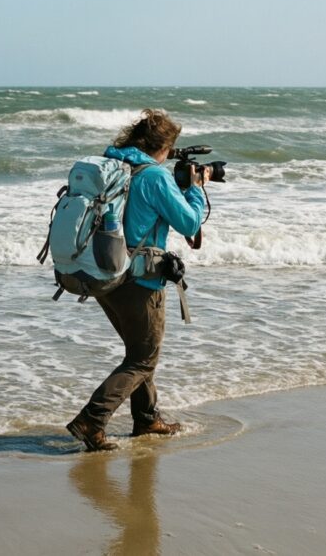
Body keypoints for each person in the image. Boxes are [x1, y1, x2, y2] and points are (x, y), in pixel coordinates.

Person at [66, 109, 210, 452]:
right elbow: (190, 223)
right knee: (143, 357)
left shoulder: (115, 164)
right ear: (163, 146)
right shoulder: (155, 177)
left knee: (140, 352)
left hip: (106, 273)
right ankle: (91, 420)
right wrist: (195, 188)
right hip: (140, 281)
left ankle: (146, 418)